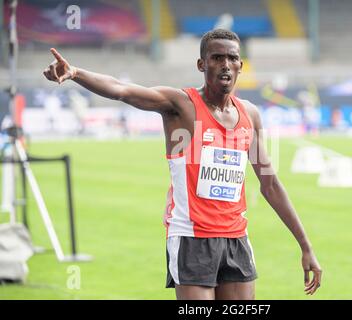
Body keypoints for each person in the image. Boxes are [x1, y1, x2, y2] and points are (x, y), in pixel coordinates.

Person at [43, 29, 322, 300]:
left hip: (236, 238)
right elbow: (122, 90)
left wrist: (305, 246)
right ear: (202, 64)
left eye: (232, 58)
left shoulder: (250, 114)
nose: (225, 65)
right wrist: (76, 73)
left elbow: (270, 184)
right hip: (192, 238)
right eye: (216, 58)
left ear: (240, 64)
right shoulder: (180, 105)